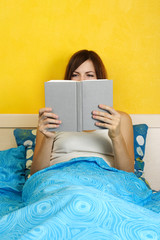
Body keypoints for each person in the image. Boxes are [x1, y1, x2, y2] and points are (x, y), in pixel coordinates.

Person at [31, 50, 134, 175]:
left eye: (89, 75)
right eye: (75, 75)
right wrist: (48, 139)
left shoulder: (121, 119)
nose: (81, 80)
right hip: (59, 182)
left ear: (99, 79)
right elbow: (36, 173)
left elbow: (128, 174)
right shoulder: (50, 118)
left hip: (105, 184)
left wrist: (116, 136)